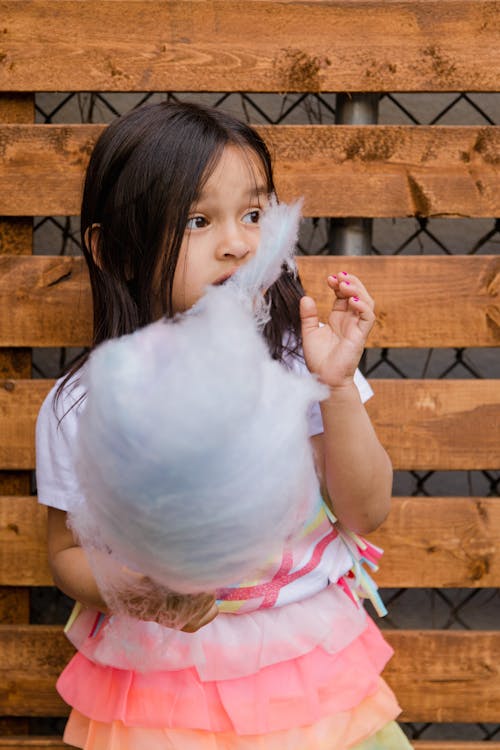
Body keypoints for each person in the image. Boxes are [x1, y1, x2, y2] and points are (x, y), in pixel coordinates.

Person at [36, 101, 413, 750]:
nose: (238, 241)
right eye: (198, 220)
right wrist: (143, 592)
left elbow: (366, 509)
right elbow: (66, 554)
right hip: (160, 669)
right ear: (112, 249)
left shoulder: (300, 361)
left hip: (304, 661)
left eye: (255, 214)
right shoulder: (88, 404)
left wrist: (335, 386)